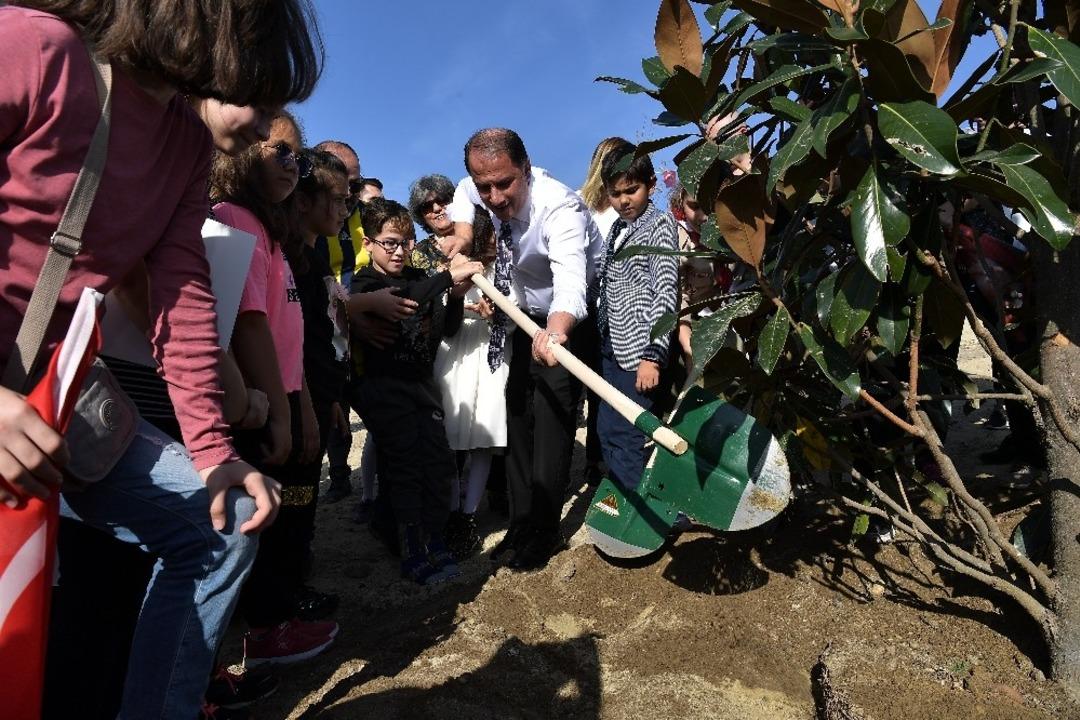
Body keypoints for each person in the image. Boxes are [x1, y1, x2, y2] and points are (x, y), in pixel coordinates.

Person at [0, 1, 322, 716]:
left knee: (225, 525)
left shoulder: (183, 145)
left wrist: (211, 454)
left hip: (58, 395)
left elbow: (182, 302)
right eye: (256, 91)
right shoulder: (34, 47)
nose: (263, 118)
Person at [211, 111, 339, 665]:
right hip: (257, 404)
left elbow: (292, 337)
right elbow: (248, 324)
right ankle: (262, 631)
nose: (293, 166)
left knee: (283, 520)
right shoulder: (234, 219)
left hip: (284, 396)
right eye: (280, 152)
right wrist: (281, 413)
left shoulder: (272, 235)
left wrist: (303, 404)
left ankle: (274, 617)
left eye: (298, 156)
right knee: (256, 524)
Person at [448, 128, 603, 571]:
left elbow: (572, 280)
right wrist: (461, 236)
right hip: (522, 317)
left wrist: (554, 331)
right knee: (516, 415)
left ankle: (545, 530)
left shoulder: (560, 208)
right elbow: (462, 194)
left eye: (504, 184)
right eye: (485, 187)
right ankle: (520, 524)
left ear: (526, 169)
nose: (494, 197)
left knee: (553, 421)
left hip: (569, 321)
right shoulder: (477, 186)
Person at [351, 197, 483, 584]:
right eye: (389, 242)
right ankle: (411, 547)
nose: (398, 251)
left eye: (406, 242)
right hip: (386, 389)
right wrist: (448, 277)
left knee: (438, 465)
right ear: (368, 244)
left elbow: (443, 329)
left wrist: (456, 297)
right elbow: (406, 303)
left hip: (422, 387)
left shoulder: (416, 277)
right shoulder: (367, 285)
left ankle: (434, 538)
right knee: (405, 469)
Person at [594, 141, 679, 490]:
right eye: (616, 194)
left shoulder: (659, 224)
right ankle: (624, 498)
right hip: (613, 348)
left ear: (652, 186)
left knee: (627, 428)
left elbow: (666, 294)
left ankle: (645, 510)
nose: (624, 200)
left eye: (633, 190)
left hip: (640, 351)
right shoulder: (617, 230)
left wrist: (653, 356)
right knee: (606, 427)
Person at [430, 208, 508, 559]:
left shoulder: (507, 265)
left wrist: (498, 315)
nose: (493, 240)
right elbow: (440, 311)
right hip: (457, 356)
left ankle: (468, 515)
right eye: (487, 233)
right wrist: (462, 299)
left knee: (482, 441)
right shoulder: (455, 264)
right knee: (451, 440)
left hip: (491, 358)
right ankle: (449, 512)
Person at [577, 137, 628, 486]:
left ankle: (602, 460)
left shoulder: (616, 208)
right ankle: (597, 459)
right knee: (601, 390)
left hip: (610, 308)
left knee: (607, 390)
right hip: (593, 309)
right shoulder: (585, 208)